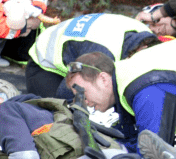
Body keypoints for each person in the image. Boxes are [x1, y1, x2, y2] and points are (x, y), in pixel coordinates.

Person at [25, 13, 158, 98]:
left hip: (75, 48)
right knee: (59, 112)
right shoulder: (102, 53)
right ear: (143, 48)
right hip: (44, 63)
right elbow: (73, 74)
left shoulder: (144, 33)